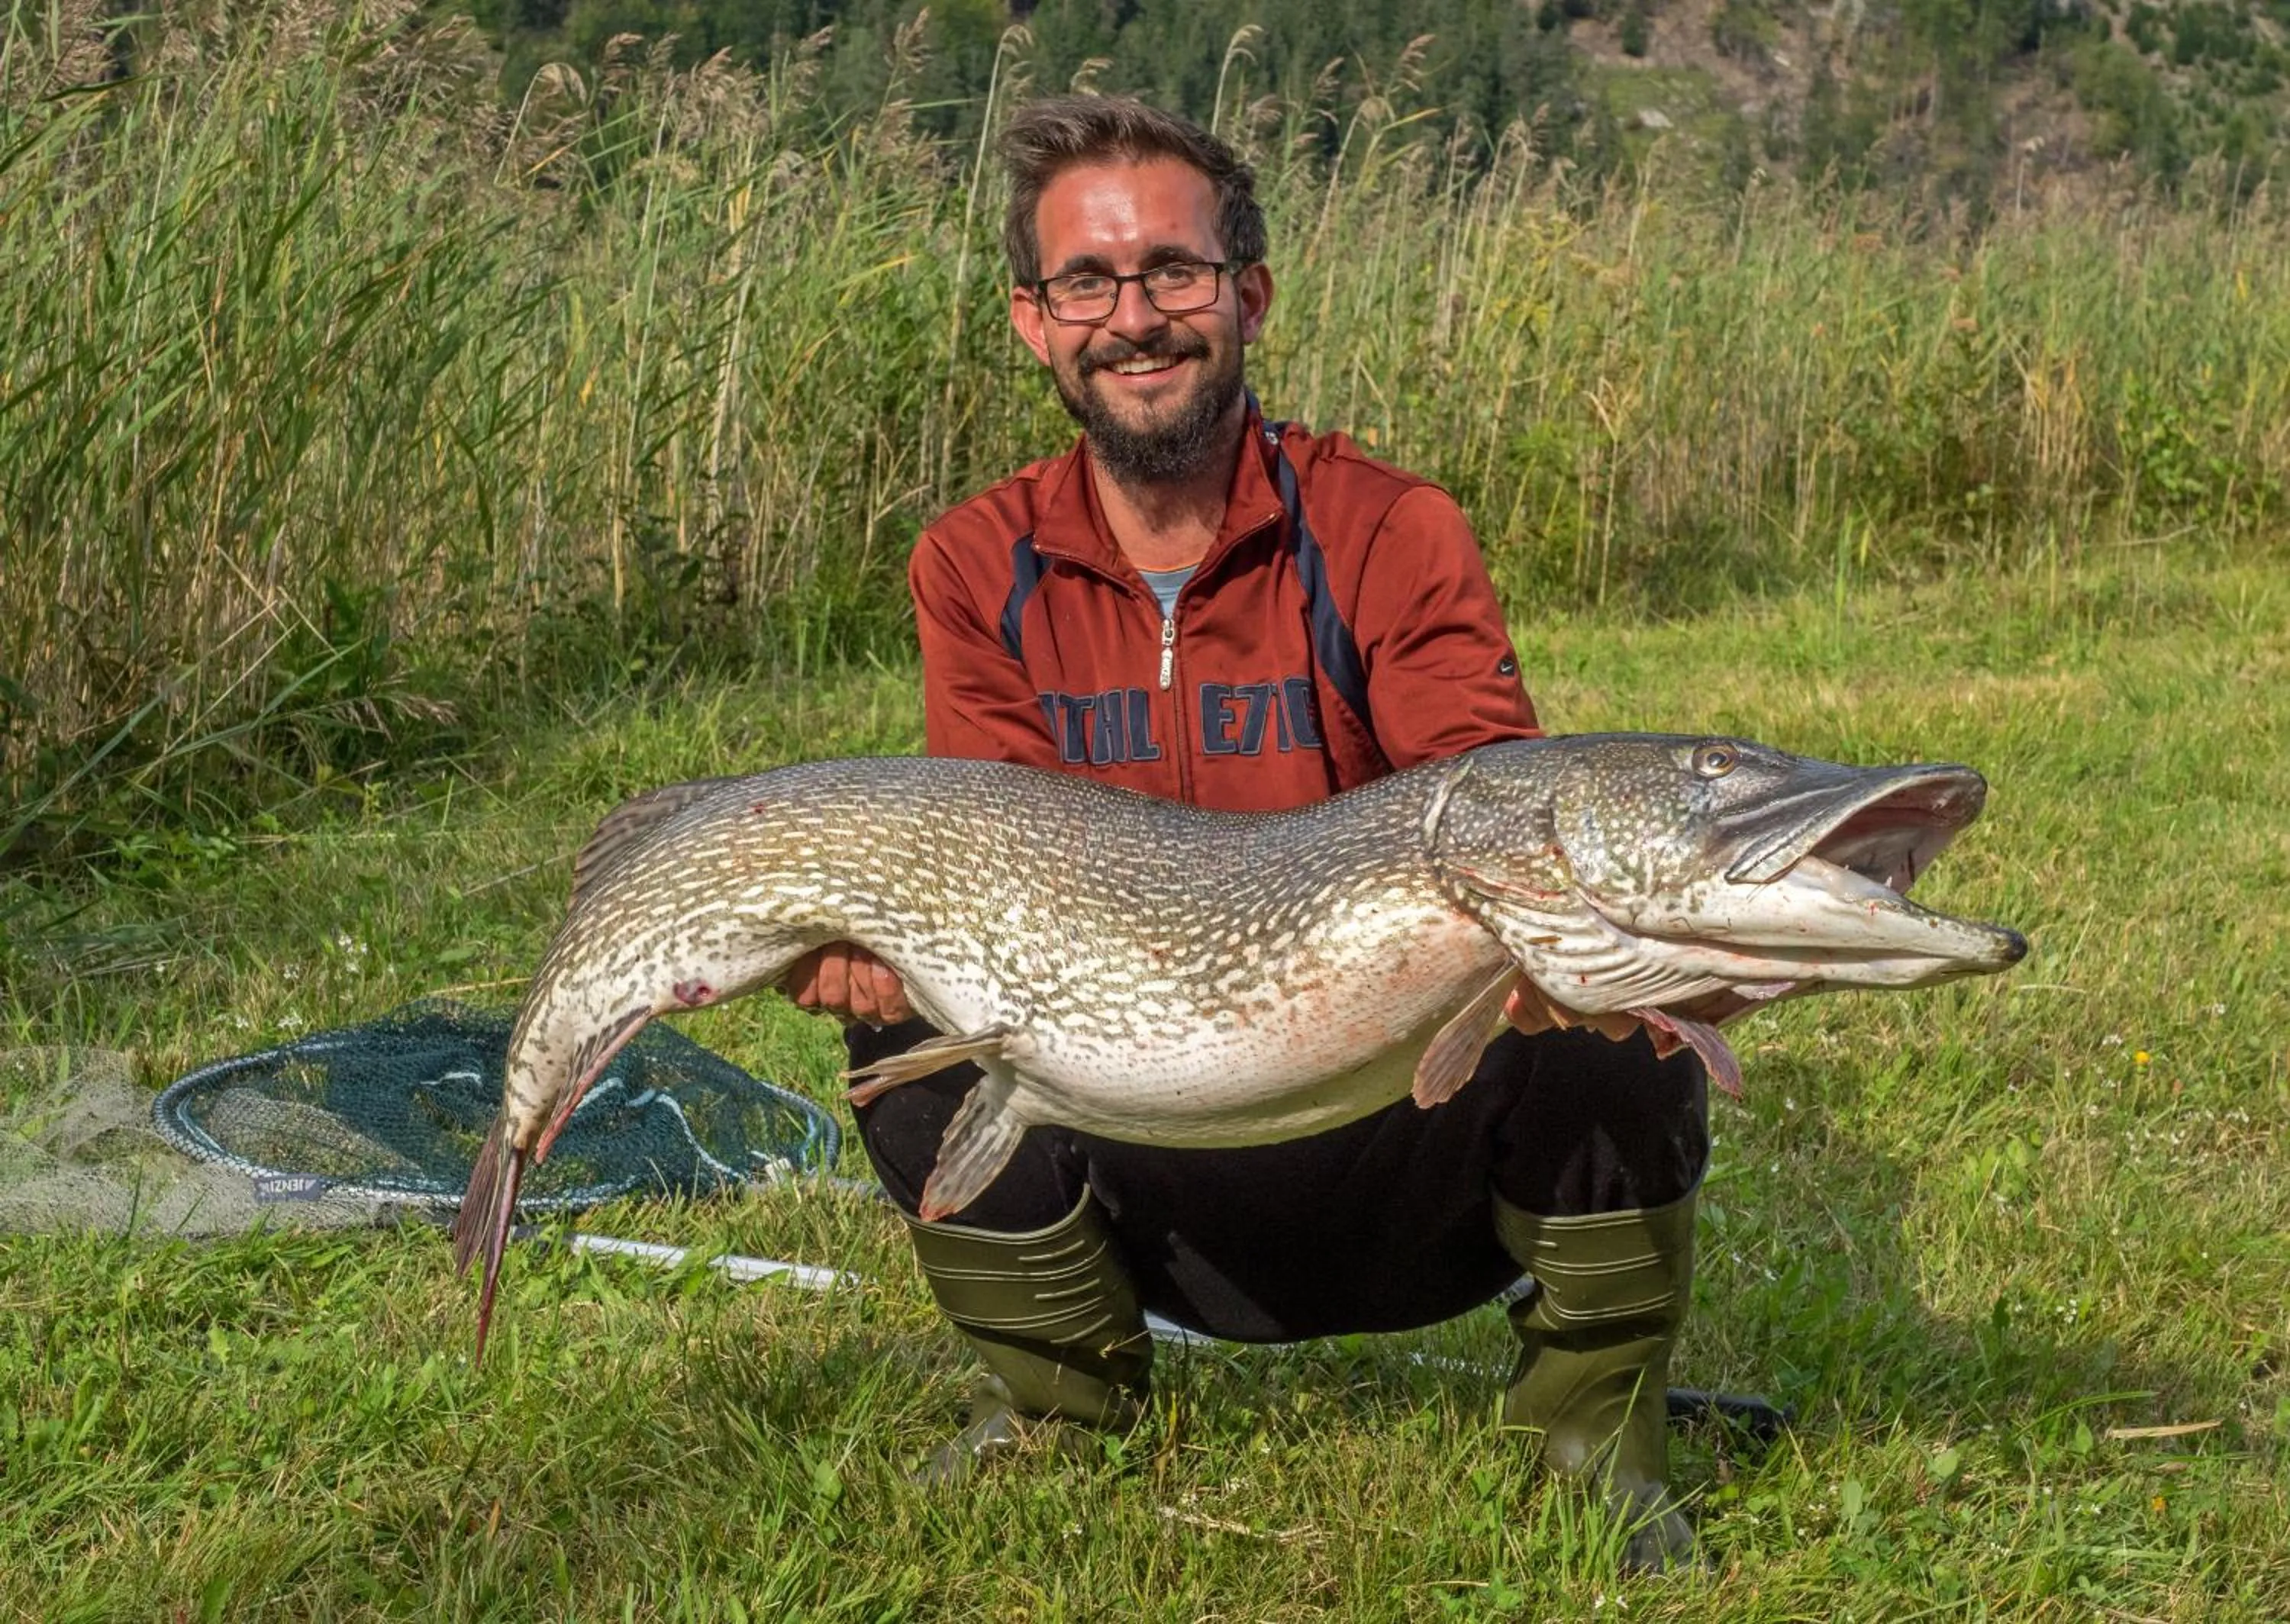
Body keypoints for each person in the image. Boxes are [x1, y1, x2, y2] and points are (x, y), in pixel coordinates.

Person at [784, 95, 1720, 1569]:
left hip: (1397, 1125)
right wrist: (885, 955)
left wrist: (1596, 941)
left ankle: (1590, 1444)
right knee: (913, 1036)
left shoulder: (1393, 528)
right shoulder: (972, 562)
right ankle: (1061, 1412)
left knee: (1609, 979)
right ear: (1035, 321)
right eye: (1087, 282)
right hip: (1133, 1143)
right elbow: (986, 862)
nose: (1135, 317)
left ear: (1250, 296)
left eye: (1176, 272)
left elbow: (1490, 802)